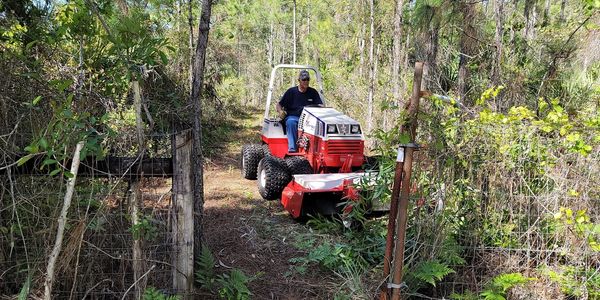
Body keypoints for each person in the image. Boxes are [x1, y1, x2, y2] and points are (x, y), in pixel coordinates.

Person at [276, 70, 323, 152]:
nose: (306, 81)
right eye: (304, 79)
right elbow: (279, 104)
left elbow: (321, 106)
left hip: (310, 119)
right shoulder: (291, 92)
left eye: (308, 79)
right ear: (299, 80)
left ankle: (316, 151)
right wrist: (280, 111)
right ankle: (293, 149)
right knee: (291, 122)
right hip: (294, 117)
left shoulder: (313, 92)